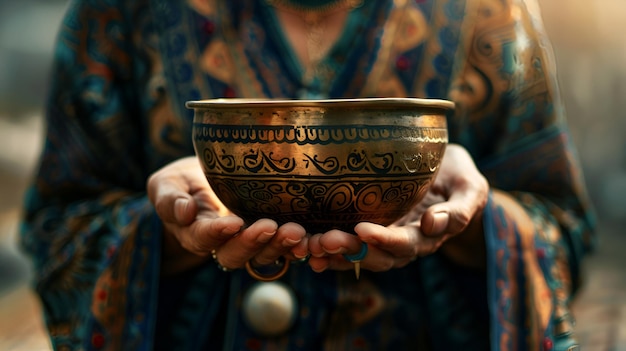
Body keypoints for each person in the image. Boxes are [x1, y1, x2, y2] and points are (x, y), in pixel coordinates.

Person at [20, 0, 596, 350]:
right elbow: (56, 235)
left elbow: (563, 230)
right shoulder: (120, 13)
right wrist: (171, 230)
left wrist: (470, 219)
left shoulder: (490, 17)